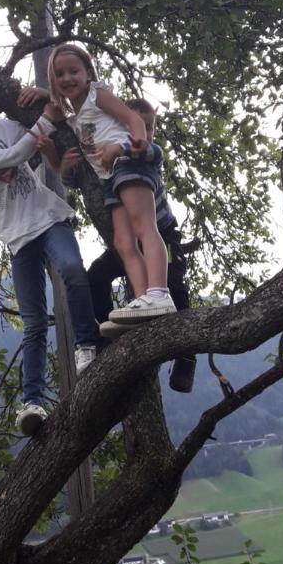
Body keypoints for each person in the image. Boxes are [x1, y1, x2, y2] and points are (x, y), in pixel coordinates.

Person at [0, 83, 98, 437]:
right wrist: (43, 121)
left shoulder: (6, 129)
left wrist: (43, 96)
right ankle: (32, 401)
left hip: (50, 218)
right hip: (18, 238)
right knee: (35, 322)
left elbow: (51, 126)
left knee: (72, 269)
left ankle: (86, 344)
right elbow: (15, 155)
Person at [45, 43, 176, 324]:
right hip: (110, 179)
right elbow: (63, 165)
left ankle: (159, 293)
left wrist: (131, 145)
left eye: (73, 71)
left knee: (144, 226)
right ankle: (144, 303)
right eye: (60, 74)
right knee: (122, 241)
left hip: (128, 163)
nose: (67, 78)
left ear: (88, 73)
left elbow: (131, 119)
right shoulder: (74, 117)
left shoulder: (97, 95)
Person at [86, 99, 197, 393]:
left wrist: (123, 147)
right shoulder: (113, 165)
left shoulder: (147, 155)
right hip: (129, 245)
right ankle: (106, 335)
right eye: (137, 126)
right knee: (95, 276)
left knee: (173, 284)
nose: (144, 133)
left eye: (150, 127)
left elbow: (149, 149)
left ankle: (186, 358)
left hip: (162, 236)